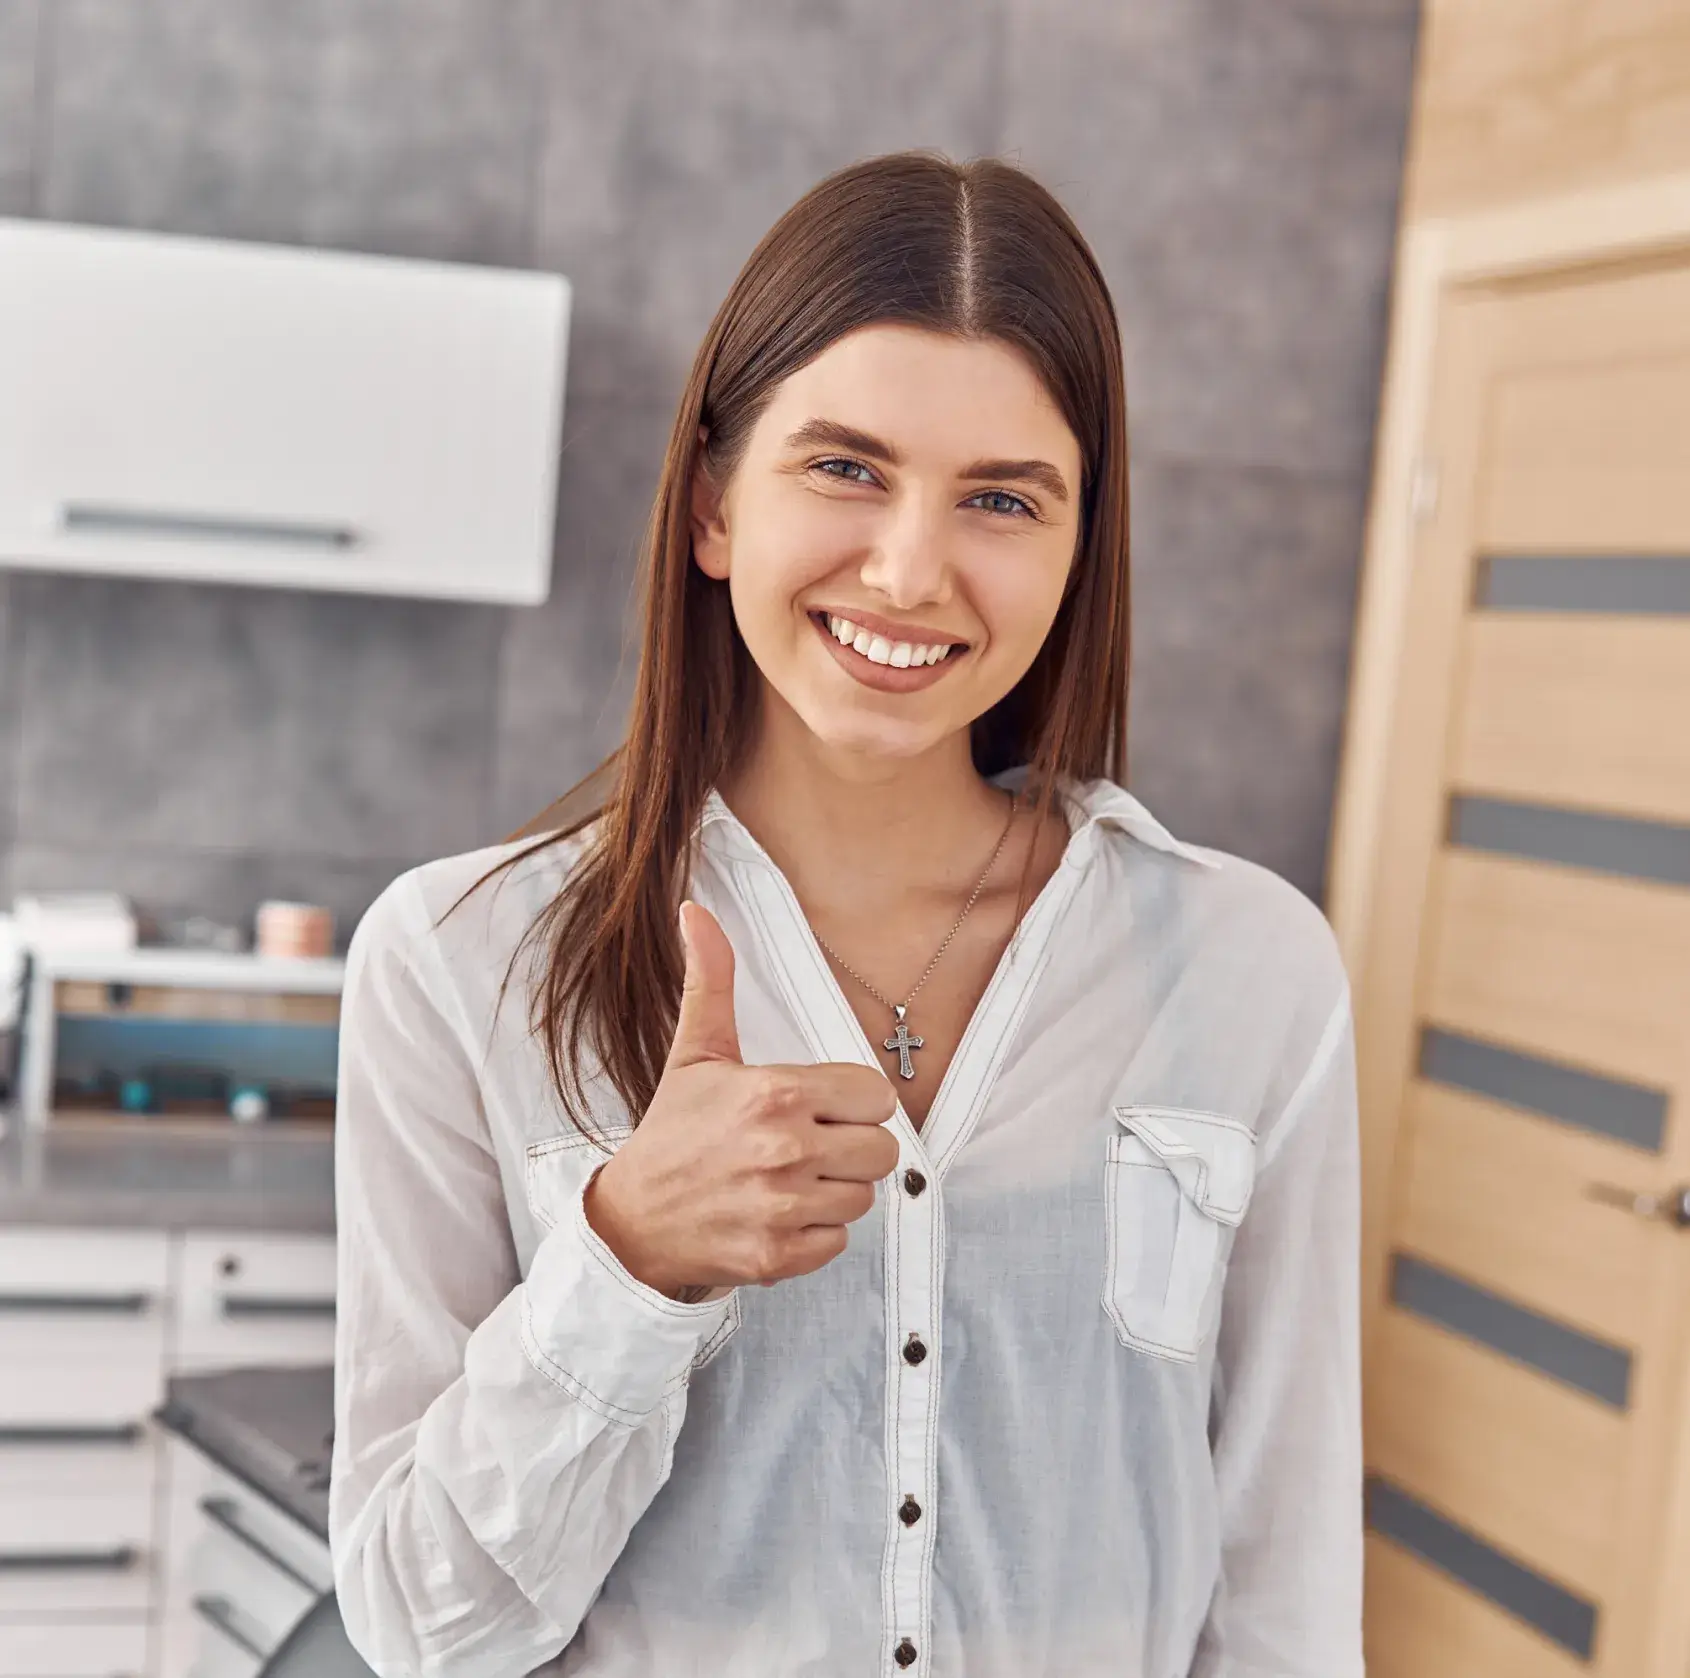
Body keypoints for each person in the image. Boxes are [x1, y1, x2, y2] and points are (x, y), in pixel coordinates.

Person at [328, 151, 1363, 1678]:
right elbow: (423, 1627)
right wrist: (625, 1259)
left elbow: (1282, 1584)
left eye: (1002, 499)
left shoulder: (1245, 970)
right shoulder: (458, 961)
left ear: (1079, 554)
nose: (909, 567)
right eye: (844, 468)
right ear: (710, 506)